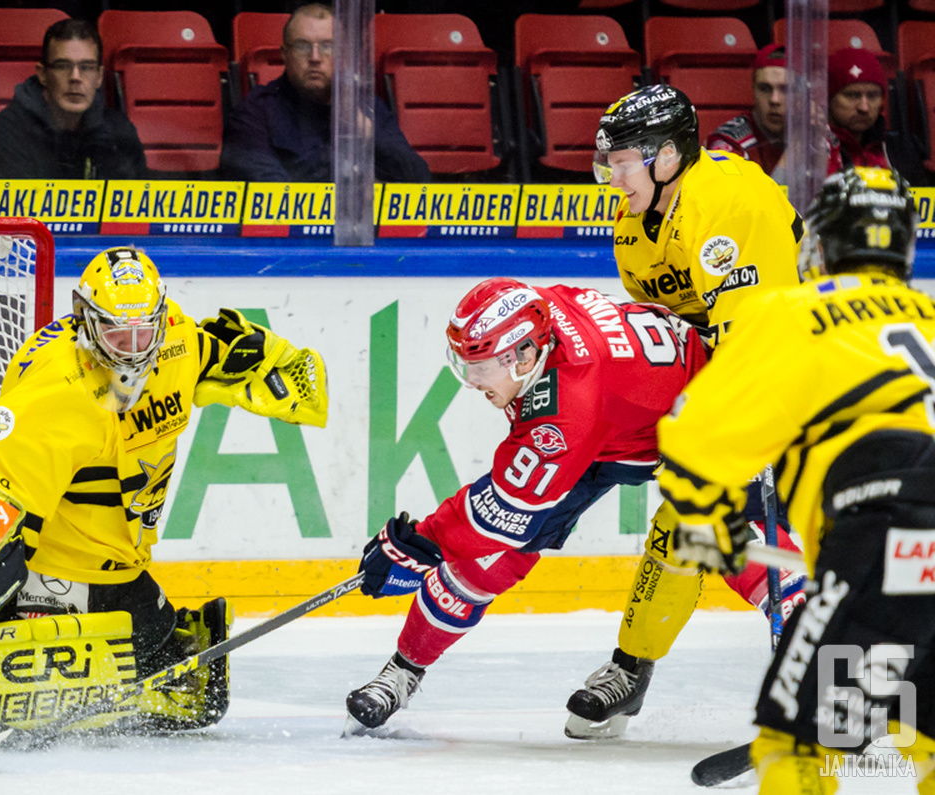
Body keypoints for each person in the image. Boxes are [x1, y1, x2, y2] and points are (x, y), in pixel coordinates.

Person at [0, 247, 329, 751]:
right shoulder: (52, 390)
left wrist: (289, 368)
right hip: (50, 570)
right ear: (84, 318)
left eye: (145, 329)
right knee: (34, 653)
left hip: (122, 565)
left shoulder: (177, 343)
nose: (134, 347)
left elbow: (231, 350)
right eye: (117, 334)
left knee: (190, 688)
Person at [658, 166, 935, 794]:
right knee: (926, 737)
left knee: (799, 747)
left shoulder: (794, 310)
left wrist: (710, 522)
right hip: (906, 551)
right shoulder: (931, 317)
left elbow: (697, 438)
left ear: (824, 243)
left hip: (889, 541)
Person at [344, 276, 711, 733]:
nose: (472, 382)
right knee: (494, 557)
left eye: (481, 366)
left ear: (523, 354)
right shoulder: (542, 315)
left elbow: (503, 511)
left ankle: (640, 671)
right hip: (624, 407)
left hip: (703, 420)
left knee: (731, 544)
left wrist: (421, 542)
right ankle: (403, 670)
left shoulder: (568, 403)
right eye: (466, 364)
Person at [567, 83, 809, 740]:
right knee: (690, 515)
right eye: (608, 162)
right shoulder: (637, 218)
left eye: (623, 161)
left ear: (668, 155)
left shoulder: (725, 202)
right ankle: (632, 665)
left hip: (805, 366)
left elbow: (754, 337)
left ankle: (835, 669)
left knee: (807, 525)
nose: (612, 177)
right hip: (732, 364)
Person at [220, 2, 430, 183]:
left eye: (327, 47)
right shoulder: (256, 111)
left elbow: (419, 179)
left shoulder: (367, 107)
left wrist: (370, 136)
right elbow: (271, 193)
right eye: (303, 46)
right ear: (285, 55)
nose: (315, 57)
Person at [0, 19, 146, 179]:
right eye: (63, 66)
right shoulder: (8, 133)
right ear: (43, 74)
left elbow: (140, 199)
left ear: (99, 77)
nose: (75, 77)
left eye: (87, 67)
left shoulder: (119, 131)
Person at [825, 47, 928, 187]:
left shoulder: (901, 149)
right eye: (852, 95)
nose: (864, 107)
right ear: (828, 98)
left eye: (872, 96)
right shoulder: (811, 148)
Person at [706, 44, 788, 180]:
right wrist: (795, 151)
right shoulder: (728, 141)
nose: (774, 99)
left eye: (786, 90)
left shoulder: (818, 134)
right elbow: (733, 199)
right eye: (764, 88)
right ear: (753, 91)